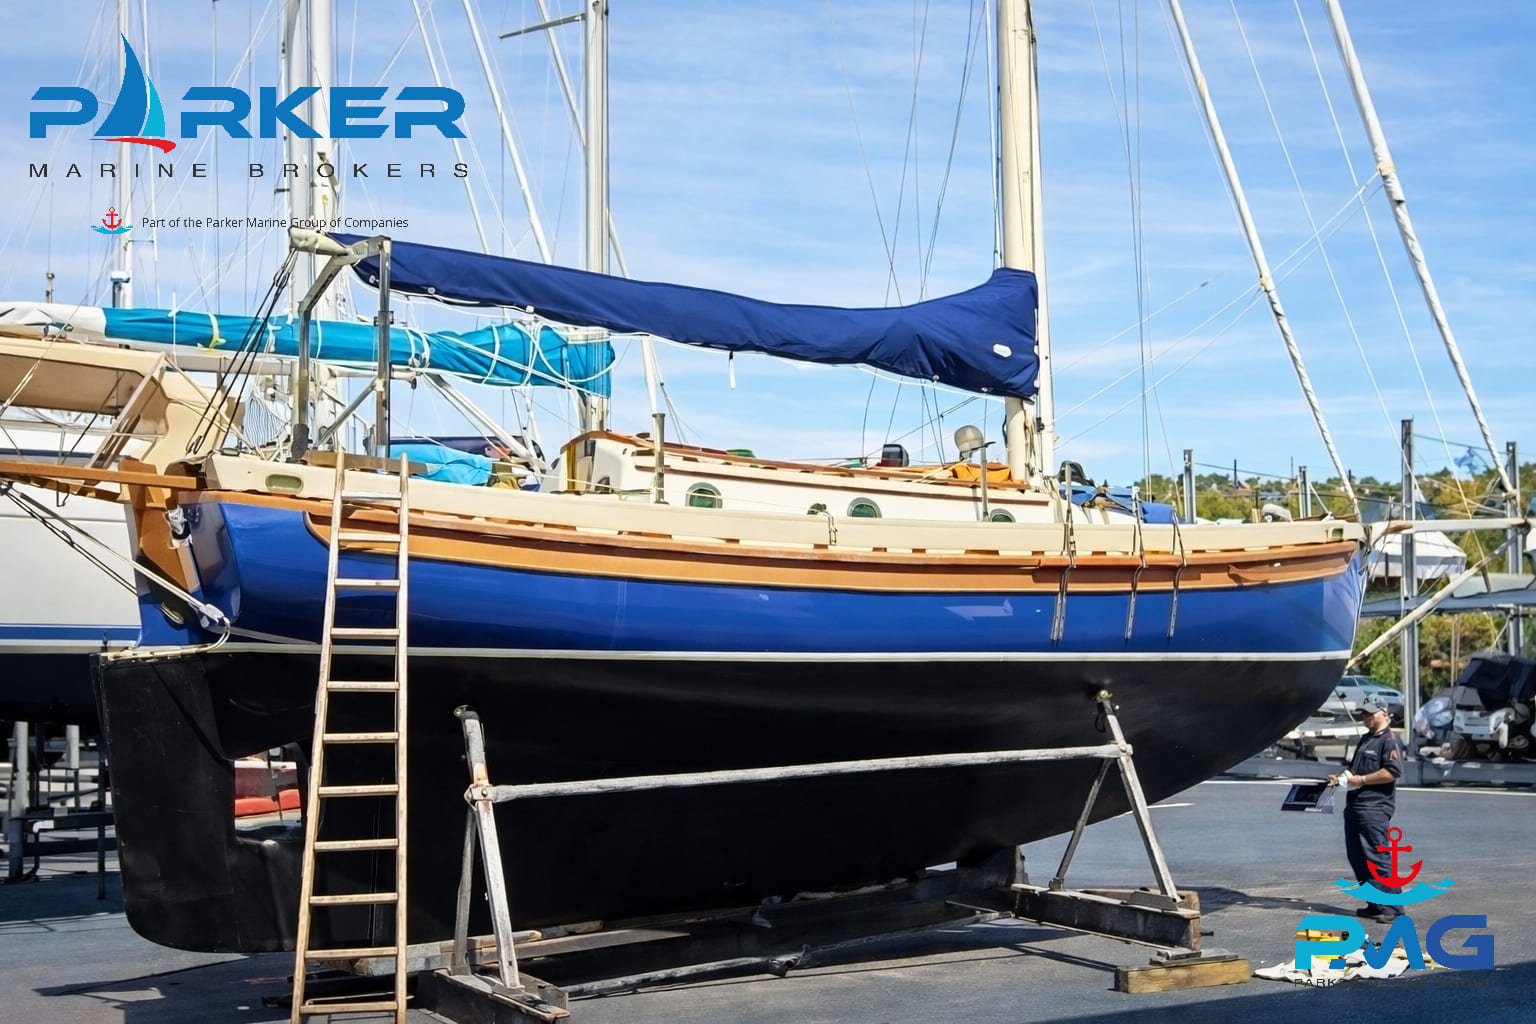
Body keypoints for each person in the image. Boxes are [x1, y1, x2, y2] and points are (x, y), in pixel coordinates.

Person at [1327, 699, 1406, 923]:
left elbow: (1392, 772)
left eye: (1370, 713)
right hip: (1355, 807)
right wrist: (1340, 778)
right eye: (1363, 713)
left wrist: (1361, 779)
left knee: (1378, 858)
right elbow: (1354, 769)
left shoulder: (1389, 740)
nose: (1366, 717)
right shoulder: (1366, 739)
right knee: (1358, 858)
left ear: (1384, 713)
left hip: (1374, 809)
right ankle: (1375, 905)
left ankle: (1393, 909)